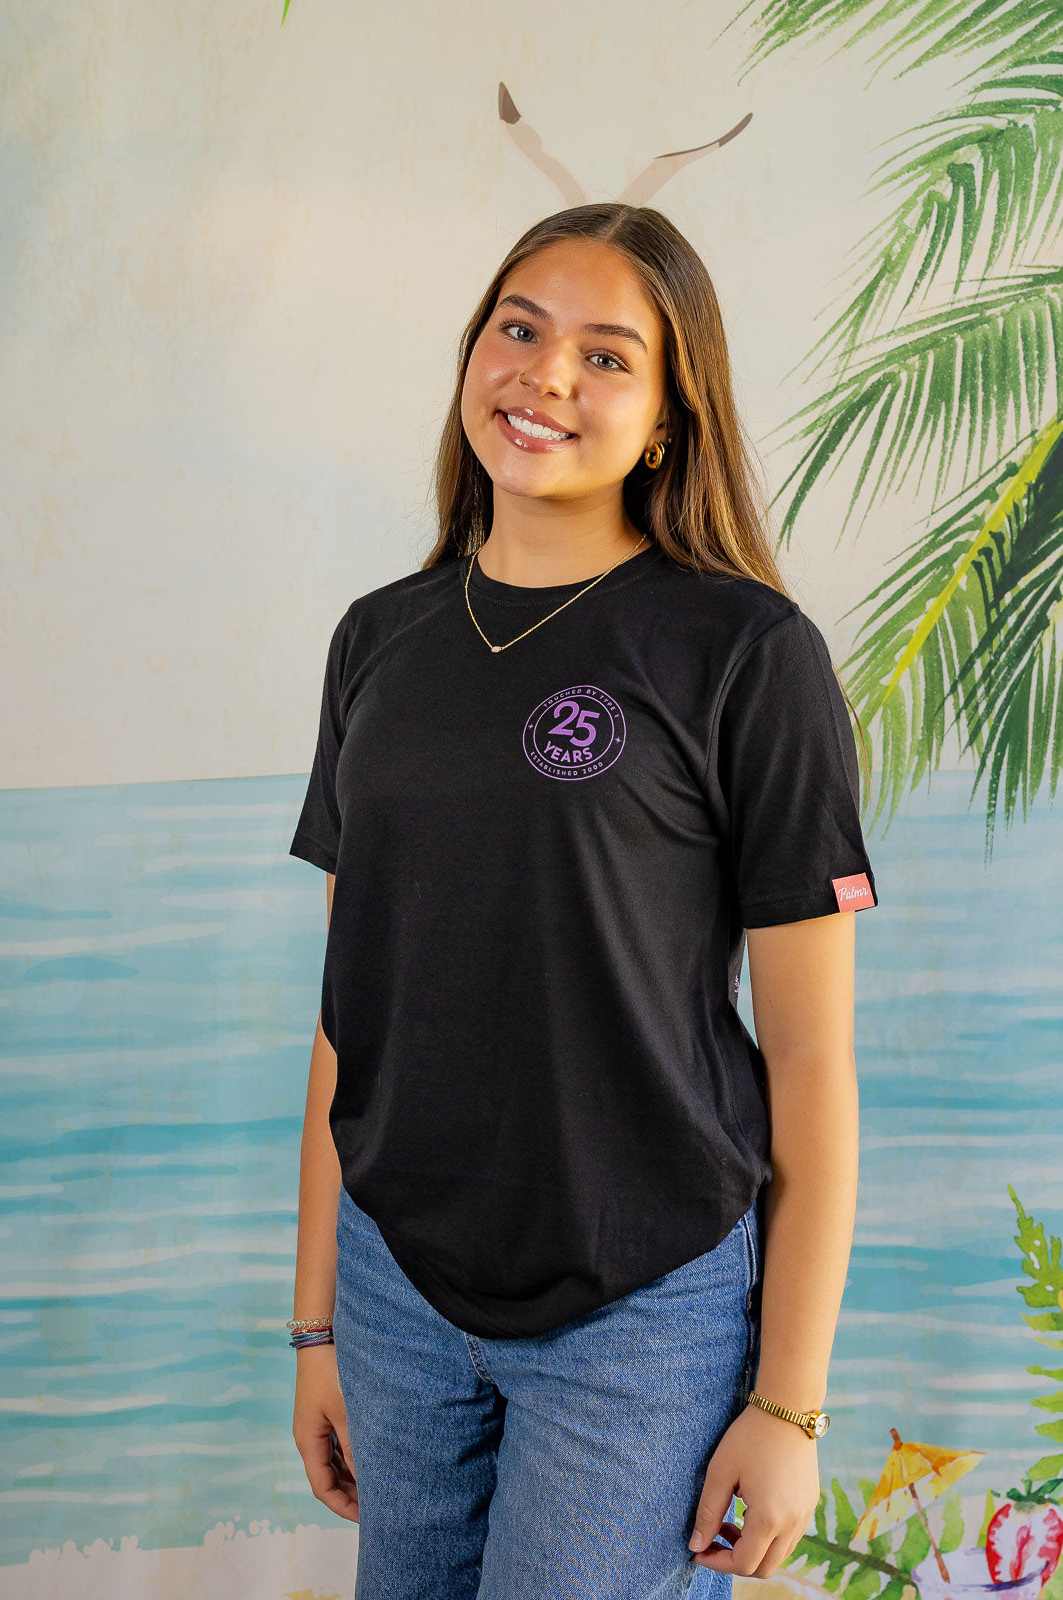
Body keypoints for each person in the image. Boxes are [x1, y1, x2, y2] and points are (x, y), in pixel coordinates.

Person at [287, 203, 879, 1600]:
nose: (547, 377)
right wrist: (313, 1327)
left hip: (640, 1308)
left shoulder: (747, 654)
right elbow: (343, 1021)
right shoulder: (379, 640)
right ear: (473, 354)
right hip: (397, 1285)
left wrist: (788, 1408)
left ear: (671, 417)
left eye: (608, 356)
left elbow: (808, 1058)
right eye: (520, 328)